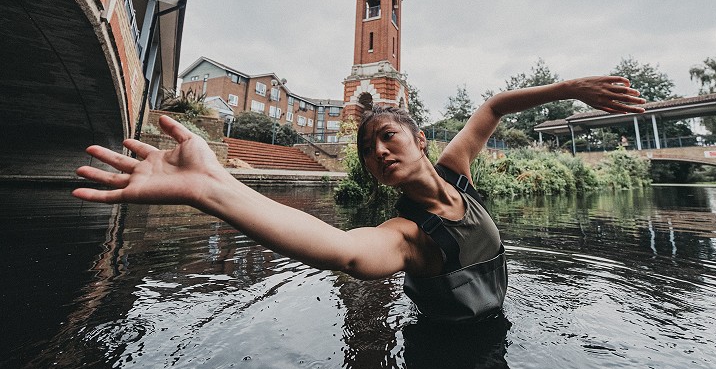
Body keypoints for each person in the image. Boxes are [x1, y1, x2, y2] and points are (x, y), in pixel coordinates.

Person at [73, 76, 645, 322]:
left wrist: (570, 89)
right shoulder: (408, 237)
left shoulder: (457, 173)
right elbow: (343, 250)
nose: (379, 151)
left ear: (420, 140)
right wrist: (210, 187)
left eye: (389, 136)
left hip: (498, 328)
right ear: (371, 173)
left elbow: (493, 106)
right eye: (369, 150)